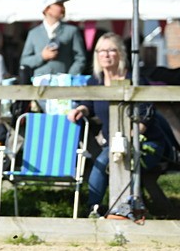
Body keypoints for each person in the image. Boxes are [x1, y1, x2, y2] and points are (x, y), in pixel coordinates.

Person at [66, 33, 178, 216]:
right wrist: (81, 110)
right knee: (104, 159)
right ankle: (96, 209)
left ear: (121, 53)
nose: (106, 54)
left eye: (111, 50)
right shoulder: (95, 80)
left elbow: (145, 117)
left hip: (146, 143)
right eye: (101, 50)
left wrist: (128, 141)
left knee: (107, 159)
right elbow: (88, 104)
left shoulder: (135, 79)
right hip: (113, 144)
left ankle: (120, 209)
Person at [19, 0, 86, 79]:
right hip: (39, 87)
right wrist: (42, 56)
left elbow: (80, 59)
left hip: (64, 87)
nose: (63, 8)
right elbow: (24, 61)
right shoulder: (34, 33)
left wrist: (69, 77)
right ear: (47, 9)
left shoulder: (72, 31)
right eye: (58, 4)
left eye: (62, 4)